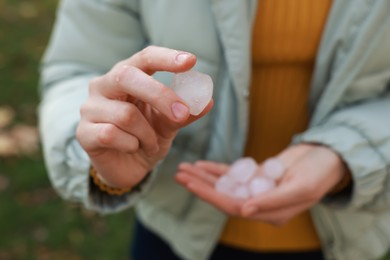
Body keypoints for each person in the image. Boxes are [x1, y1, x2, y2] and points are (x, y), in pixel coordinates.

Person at [38, 1, 390, 259]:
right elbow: (77, 66)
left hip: (347, 233)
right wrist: (103, 143)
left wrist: (350, 154)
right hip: (176, 228)